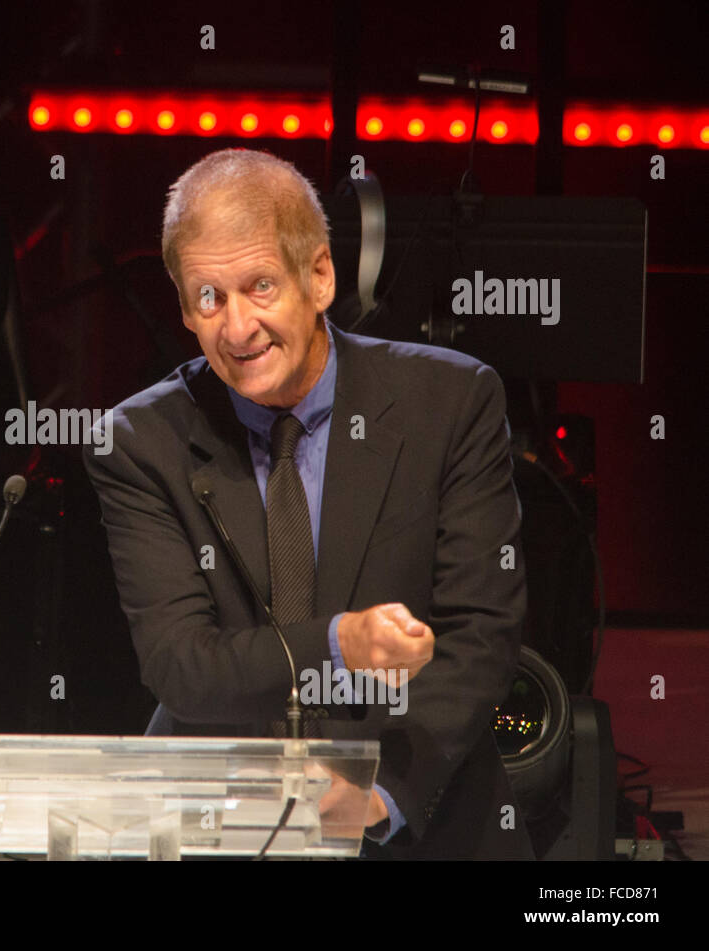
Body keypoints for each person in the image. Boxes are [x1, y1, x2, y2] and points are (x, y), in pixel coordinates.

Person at [84, 149, 533, 859]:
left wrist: (381, 794)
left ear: (319, 276)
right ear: (183, 308)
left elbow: (481, 634)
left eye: (260, 286)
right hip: (219, 822)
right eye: (209, 297)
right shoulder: (142, 440)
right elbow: (182, 667)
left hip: (423, 813)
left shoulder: (451, 403)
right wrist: (336, 642)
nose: (236, 328)